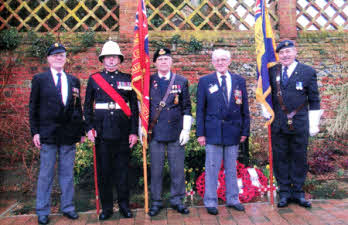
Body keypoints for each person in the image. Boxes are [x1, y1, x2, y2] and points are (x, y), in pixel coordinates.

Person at [29, 43, 84, 224]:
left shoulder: (74, 81)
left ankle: (68, 207)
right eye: (56, 55)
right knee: (46, 173)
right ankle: (43, 210)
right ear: (49, 58)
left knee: (67, 173)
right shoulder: (39, 79)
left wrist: (80, 131)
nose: (59, 58)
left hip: (68, 134)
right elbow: (33, 107)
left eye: (62, 55)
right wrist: (35, 132)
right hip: (48, 134)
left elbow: (77, 109)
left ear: (66, 59)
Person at [84, 40, 138, 220]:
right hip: (102, 133)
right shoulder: (94, 79)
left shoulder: (128, 79)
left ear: (119, 59)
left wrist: (133, 132)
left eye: (114, 57)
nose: (111, 60)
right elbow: (86, 107)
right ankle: (107, 208)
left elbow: (135, 109)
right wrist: (90, 128)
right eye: (108, 57)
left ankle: (124, 205)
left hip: (122, 133)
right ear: (103, 59)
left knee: (123, 171)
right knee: (104, 172)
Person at [196, 49, 250, 215]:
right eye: (217, 60)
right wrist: (200, 133)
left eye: (223, 59)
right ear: (212, 62)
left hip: (233, 131)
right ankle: (211, 201)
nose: (220, 62)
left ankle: (233, 198)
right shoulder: (205, 81)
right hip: (213, 132)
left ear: (229, 61)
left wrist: (244, 131)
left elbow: (244, 108)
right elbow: (200, 110)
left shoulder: (239, 80)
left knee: (231, 168)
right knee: (212, 168)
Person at [269, 40, 321, 208]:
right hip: (278, 122)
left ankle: (298, 192)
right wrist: (266, 111)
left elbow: (314, 99)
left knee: (299, 157)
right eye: (282, 53)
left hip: (300, 122)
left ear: (295, 52)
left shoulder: (307, 72)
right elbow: (266, 95)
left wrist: (313, 124)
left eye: (288, 52)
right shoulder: (272, 71)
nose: (285, 55)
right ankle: (284, 192)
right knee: (280, 157)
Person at [148, 48, 192, 216]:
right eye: (160, 60)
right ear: (155, 63)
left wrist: (186, 130)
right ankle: (156, 201)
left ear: (171, 61)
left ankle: (177, 200)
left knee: (177, 168)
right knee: (156, 169)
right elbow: (142, 107)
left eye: (166, 59)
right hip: (155, 132)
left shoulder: (181, 81)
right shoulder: (148, 81)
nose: (164, 62)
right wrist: (141, 129)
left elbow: (186, 106)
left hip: (175, 131)